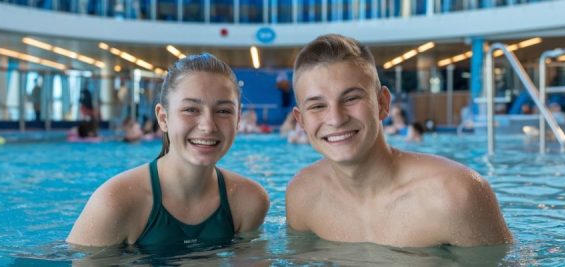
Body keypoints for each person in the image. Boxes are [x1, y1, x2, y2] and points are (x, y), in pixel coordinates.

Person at [286, 34, 512, 248]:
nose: (335, 119)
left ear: (383, 104)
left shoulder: (454, 194)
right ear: (302, 120)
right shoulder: (303, 196)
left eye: (351, 98)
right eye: (317, 106)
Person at [67, 53, 269, 248]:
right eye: (191, 109)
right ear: (163, 118)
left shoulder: (248, 201)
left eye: (223, 111)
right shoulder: (115, 203)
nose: (208, 126)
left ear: (238, 120)